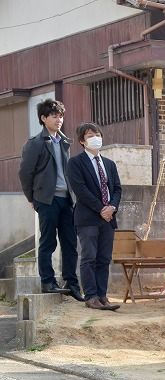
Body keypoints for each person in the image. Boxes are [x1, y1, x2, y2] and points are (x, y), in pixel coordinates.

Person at [18, 99, 84, 301]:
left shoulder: (65, 142)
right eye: (54, 115)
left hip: (66, 200)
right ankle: (47, 281)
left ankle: (71, 282)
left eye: (61, 115)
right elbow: (25, 173)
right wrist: (32, 198)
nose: (59, 119)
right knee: (47, 242)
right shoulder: (35, 143)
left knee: (70, 243)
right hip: (46, 200)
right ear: (43, 118)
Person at [66, 122, 122, 311]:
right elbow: (80, 190)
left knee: (104, 258)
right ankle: (90, 296)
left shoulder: (109, 164)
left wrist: (112, 207)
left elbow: (116, 188)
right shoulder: (75, 163)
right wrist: (101, 208)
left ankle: (102, 295)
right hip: (88, 217)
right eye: (90, 135)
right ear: (82, 141)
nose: (95, 138)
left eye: (97, 134)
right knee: (89, 257)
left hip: (108, 218)